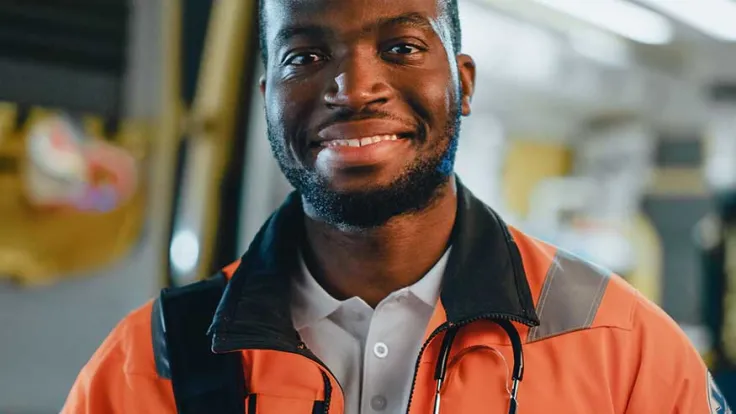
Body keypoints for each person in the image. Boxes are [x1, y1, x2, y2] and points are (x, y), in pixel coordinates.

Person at [62, 0, 731, 412]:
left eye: (401, 47)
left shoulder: (624, 352)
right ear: (267, 95)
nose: (354, 87)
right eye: (307, 56)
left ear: (462, 84)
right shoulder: (152, 363)